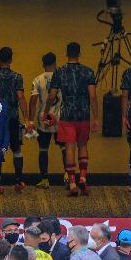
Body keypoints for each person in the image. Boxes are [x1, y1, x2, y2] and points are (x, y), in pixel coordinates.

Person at [44, 42, 99, 197]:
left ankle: (73, 183)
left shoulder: (60, 72)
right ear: (79, 54)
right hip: (83, 115)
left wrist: (46, 112)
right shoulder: (88, 72)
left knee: (69, 148)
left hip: (67, 115)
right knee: (83, 145)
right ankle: (83, 177)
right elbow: (93, 96)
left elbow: (52, 96)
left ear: (66, 54)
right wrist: (96, 117)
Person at [0, 47, 27, 191]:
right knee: (17, 149)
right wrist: (27, 118)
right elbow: (20, 97)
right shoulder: (17, 77)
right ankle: (19, 181)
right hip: (13, 116)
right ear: (11, 59)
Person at [27, 52, 65, 189]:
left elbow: (33, 101)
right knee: (64, 148)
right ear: (55, 63)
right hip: (60, 118)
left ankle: (44, 179)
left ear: (43, 64)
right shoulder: (63, 78)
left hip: (44, 119)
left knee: (43, 149)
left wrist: (30, 120)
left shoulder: (37, 80)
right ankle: (68, 177)